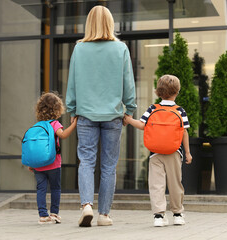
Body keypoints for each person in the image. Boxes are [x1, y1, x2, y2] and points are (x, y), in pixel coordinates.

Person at [66, 5, 137, 227]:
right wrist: (130, 109)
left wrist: (72, 108)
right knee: (108, 166)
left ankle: (86, 204)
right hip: (113, 116)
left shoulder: (79, 49)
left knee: (85, 161)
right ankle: (104, 215)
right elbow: (128, 83)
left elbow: (72, 82)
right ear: (110, 23)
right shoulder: (121, 49)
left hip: (85, 114)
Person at [123, 74, 192, 227]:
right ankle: (177, 214)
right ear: (177, 91)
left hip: (155, 153)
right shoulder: (180, 110)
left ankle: (158, 216)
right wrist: (187, 152)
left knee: (156, 184)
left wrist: (128, 120)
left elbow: (142, 125)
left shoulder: (153, 108)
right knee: (175, 183)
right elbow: (184, 133)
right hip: (174, 152)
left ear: (158, 92)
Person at [28, 92, 77, 224]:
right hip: (53, 163)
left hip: (38, 165)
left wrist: (31, 163)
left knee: (41, 188)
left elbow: (33, 146)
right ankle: (54, 214)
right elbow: (63, 135)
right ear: (57, 109)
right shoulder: (54, 124)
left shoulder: (37, 126)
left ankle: (43, 215)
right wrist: (74, 124)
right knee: (55, 188)